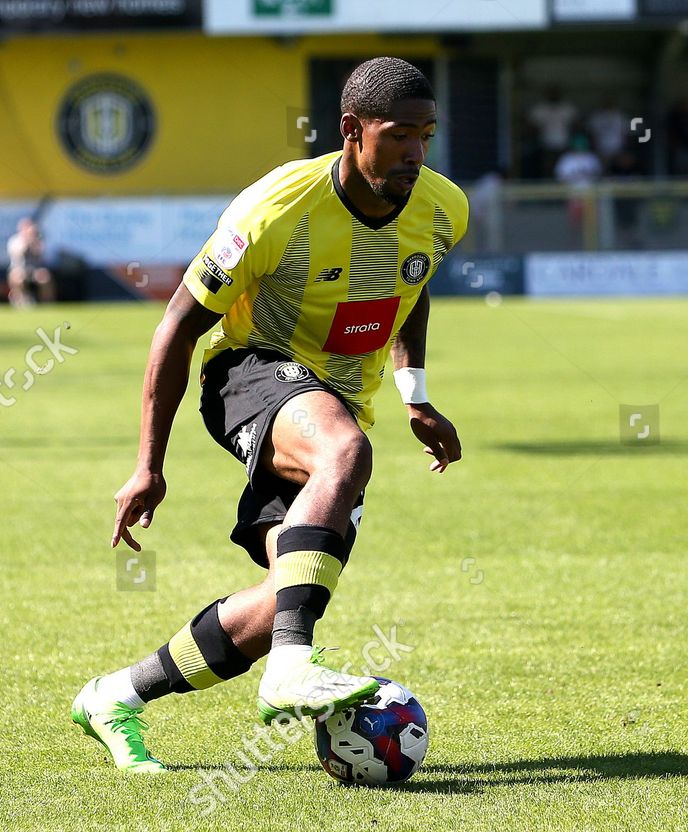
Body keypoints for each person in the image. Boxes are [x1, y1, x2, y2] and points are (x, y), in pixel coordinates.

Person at [70, 57, 468, 772]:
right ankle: (291, 669)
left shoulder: (443, 209)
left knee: (284, 594)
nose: (415, 151)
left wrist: (416, 392)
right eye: (399, 134)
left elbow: (414, 283)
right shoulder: (273, 209)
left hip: (337, 399)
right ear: (351, 131)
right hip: (248, 369)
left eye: (427, 135)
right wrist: (148, 465)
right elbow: (179, 326)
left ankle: (114, 696)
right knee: (344, 454)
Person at [7, 217, 53, 307]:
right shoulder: (15, 240)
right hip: (19, 269)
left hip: (34, 270)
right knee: (17, 278)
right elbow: (18, 255)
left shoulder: (38, 240)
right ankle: (21, 301)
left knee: (44, 277)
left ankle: (47, 302)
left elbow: (41, 255)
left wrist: (34, 242)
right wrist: (26, 241)